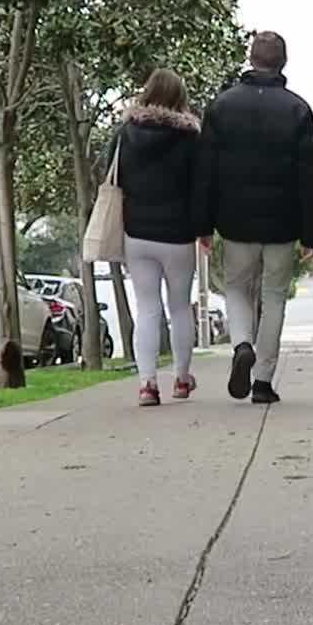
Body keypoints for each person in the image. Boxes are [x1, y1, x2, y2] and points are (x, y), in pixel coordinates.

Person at [201, 30, 313, 404]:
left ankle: (242, 344)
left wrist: (203, 225)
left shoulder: (222, 107)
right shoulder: (298, 110)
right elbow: (309, 176)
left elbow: (206, 172)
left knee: (237, 288)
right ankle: (263, 382)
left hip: (235, 219)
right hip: (282, 222)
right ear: (282, 62)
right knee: (274, 297)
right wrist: (311, 233)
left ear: (251, 59)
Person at [109, 68, 209, 406]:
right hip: (178, 234)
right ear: (180, 97)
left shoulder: (125, 133)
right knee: (179, 307)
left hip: (137, 232)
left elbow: (112, 177)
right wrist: (204, 229)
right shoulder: (191, 138)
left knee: (147, 308)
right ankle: (181, 378)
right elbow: (201, 187)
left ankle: (147, 384)